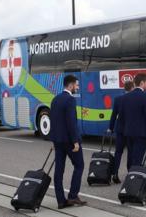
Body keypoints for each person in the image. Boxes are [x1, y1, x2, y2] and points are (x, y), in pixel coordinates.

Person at [50, 75, 87, 209]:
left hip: (58, 141)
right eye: (76, 85)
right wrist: (76, 141)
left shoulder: (55, 99)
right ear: (70, 86)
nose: (77, 88)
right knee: (79, 166)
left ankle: (61, 201)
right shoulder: (70, 100)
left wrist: (53, 140)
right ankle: (72, 196)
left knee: (59, 171)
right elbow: (72, 123)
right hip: (70, 142)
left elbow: (52, 121)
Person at [120, 73, 146, 168]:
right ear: (142, 83)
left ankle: (130, 175)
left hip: (128, 132)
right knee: (138, 159)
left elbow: (122, 116)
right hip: (140, 133)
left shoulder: (125, 97)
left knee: (131, 156)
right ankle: (134, 179)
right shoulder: (145, 96)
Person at [107, 81, 134, 184]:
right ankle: (130, 173)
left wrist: (111, 127)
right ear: (132, 88)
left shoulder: (118, 99)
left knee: (118, 152)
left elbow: (114, 115)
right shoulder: (133, 99)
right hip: (130, 130)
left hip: (120, 129)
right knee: (130, 152)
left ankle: (115, 173)